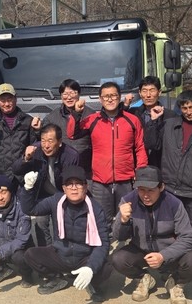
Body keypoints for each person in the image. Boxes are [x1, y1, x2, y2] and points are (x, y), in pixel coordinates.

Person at [151, 89, 192, 291]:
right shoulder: (169, 125)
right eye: (184, 108)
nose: (188, 111)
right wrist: (154, 122)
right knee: (168, 231)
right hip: (170, 189)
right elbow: (152, 145)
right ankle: (170, 268)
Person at [110, 166, 192, 304]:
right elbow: (118, 237)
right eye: (141, 189)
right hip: (141, 250)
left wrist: (163, 255)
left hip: (169, 251)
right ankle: (143, 278)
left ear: (161, 187)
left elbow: (187, 238)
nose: (145, 195)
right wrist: (123, 221)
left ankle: (176, 283)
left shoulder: (174, 203)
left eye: (151, 190)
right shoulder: (127, 201)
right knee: (118, 259)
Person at [20, 165, 112, 302]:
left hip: (85, 257)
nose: (74, 188)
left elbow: (103, 243)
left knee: (106, 267)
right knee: (30, 254)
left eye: (78, 184)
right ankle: (56, 279)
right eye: (69, 184)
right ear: (64, 188)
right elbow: (31, 209)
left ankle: (94, 284)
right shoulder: (56, 201)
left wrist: (90, 268)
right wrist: (28, 189)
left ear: (85, 187)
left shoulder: (96, 209)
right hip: (61, 255)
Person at [67, 81, 147, 229]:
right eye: (106, 96)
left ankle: (125, 243)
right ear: (100, 99)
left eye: (113, 95)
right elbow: (72, 134)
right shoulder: (93, 119)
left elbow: (140, 147)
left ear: (119, 97)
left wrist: (141, 172)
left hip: (125, 180)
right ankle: (104, 244)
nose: (110, 99)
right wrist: (76, 113)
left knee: (127, 218)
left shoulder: (132, 120)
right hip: (100, 181)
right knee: (101, 220)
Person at [11, 124, 80, 246]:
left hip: (61, 195)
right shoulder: (35, 150)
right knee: (40, 222)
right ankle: (44, 250)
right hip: (41, 194)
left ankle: (61, 249)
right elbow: (16, 170)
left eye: (50, 141)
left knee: (61, 225)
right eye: (43, 141)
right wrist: (26, 158)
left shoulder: (71, 156)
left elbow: (73, 182)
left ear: (59, 142)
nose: (46, 145)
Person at [0, 83, 41, 180]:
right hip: (0, 175)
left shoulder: (28, 120)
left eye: (9, 99)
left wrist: (38, 131)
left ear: (15, 99)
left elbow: (36, 146)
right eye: (3, 100)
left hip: (22, 175)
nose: (6, 104)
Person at [42, 79, 92, 174]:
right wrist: (37, 129)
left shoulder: (90, 115)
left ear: (79, 94)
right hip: (61, 167)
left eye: (72, 93)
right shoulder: (52, 117)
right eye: (65, 94)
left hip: (85, 168)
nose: (69, 97)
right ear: (61, 96)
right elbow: (42, 138)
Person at [126, 76, 177, 168]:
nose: (148, 95)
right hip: (137, 165)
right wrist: (125, 105)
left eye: (152, 90)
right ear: (140, 93)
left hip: (162, 165)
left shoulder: (170, 116)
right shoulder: (132, 113)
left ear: (159, 92)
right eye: (144, 91)